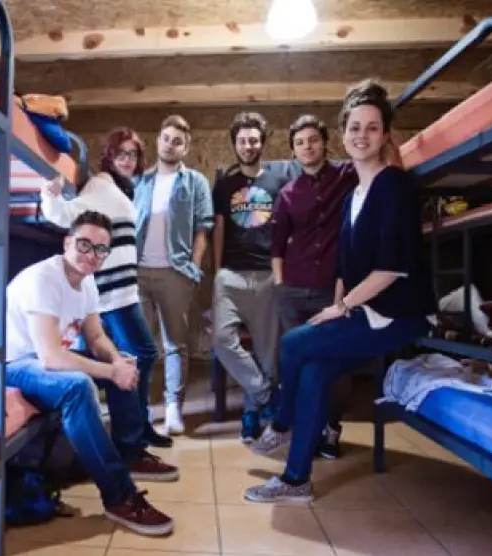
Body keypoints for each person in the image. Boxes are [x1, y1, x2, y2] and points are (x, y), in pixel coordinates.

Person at [244, 80, 436, 504]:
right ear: (345, 134)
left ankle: (281, 425)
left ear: (385, 135)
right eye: (354, 127)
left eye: (372, 127)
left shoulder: (393, 185)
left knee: (293, 344)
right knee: (314, 371)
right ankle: (296, 480)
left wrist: (343, 306)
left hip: (398, 312)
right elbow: (346, 268)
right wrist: (339, 304)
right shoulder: (354, 198)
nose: (362, 135)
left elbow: (392, 268)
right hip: (367, 309)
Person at [0, 210, 178, 536]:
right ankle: (120, 496)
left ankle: (129, 452)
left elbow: (95, 337)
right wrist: (110, 371)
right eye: (84, 245)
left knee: (126, 361)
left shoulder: (87, 282)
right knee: (78, 386)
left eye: (100, 249)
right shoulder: (44, 279)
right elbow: (52, 357)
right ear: (67, 242)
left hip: (37, 360)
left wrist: (117, 362)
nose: (91, 255)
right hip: (2, 364)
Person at [40, 127, 172, 448]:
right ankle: (132, 437)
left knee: (133, 357)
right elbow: (64, 215)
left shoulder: (122, 189)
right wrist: (49, 194)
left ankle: (139, 427)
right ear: (109, 157)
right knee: (140, 354)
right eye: (120, 154)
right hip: (113, 294)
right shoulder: (101, 186)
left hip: (122, 291)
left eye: (133, 154)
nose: (127, 160)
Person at [210, 112, 299, 444]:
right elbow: (219, 229)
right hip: (230, 275)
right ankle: (266, 395)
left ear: (262, 143)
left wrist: (282, 272)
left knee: (266, 353)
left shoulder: (278, 182)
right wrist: (217, 271)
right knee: (222, 340)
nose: (248, 146)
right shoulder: (224, 185)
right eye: (242, 141)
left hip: (266, 275)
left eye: (253, 140)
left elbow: (287, 229)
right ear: (234, 144)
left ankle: (252, 414)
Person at [133, 115, 214, 436]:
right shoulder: (140, 180)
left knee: (174, 344)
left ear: (185, 148)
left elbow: (203, 229)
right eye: (166, 138)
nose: (170, 145)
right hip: (138, 271)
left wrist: (193, 268)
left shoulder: (195, 182)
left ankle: (172, 408)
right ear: (158, 141)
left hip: (175, 271)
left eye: (177, 141)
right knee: (138, 345)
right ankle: (138, 408)